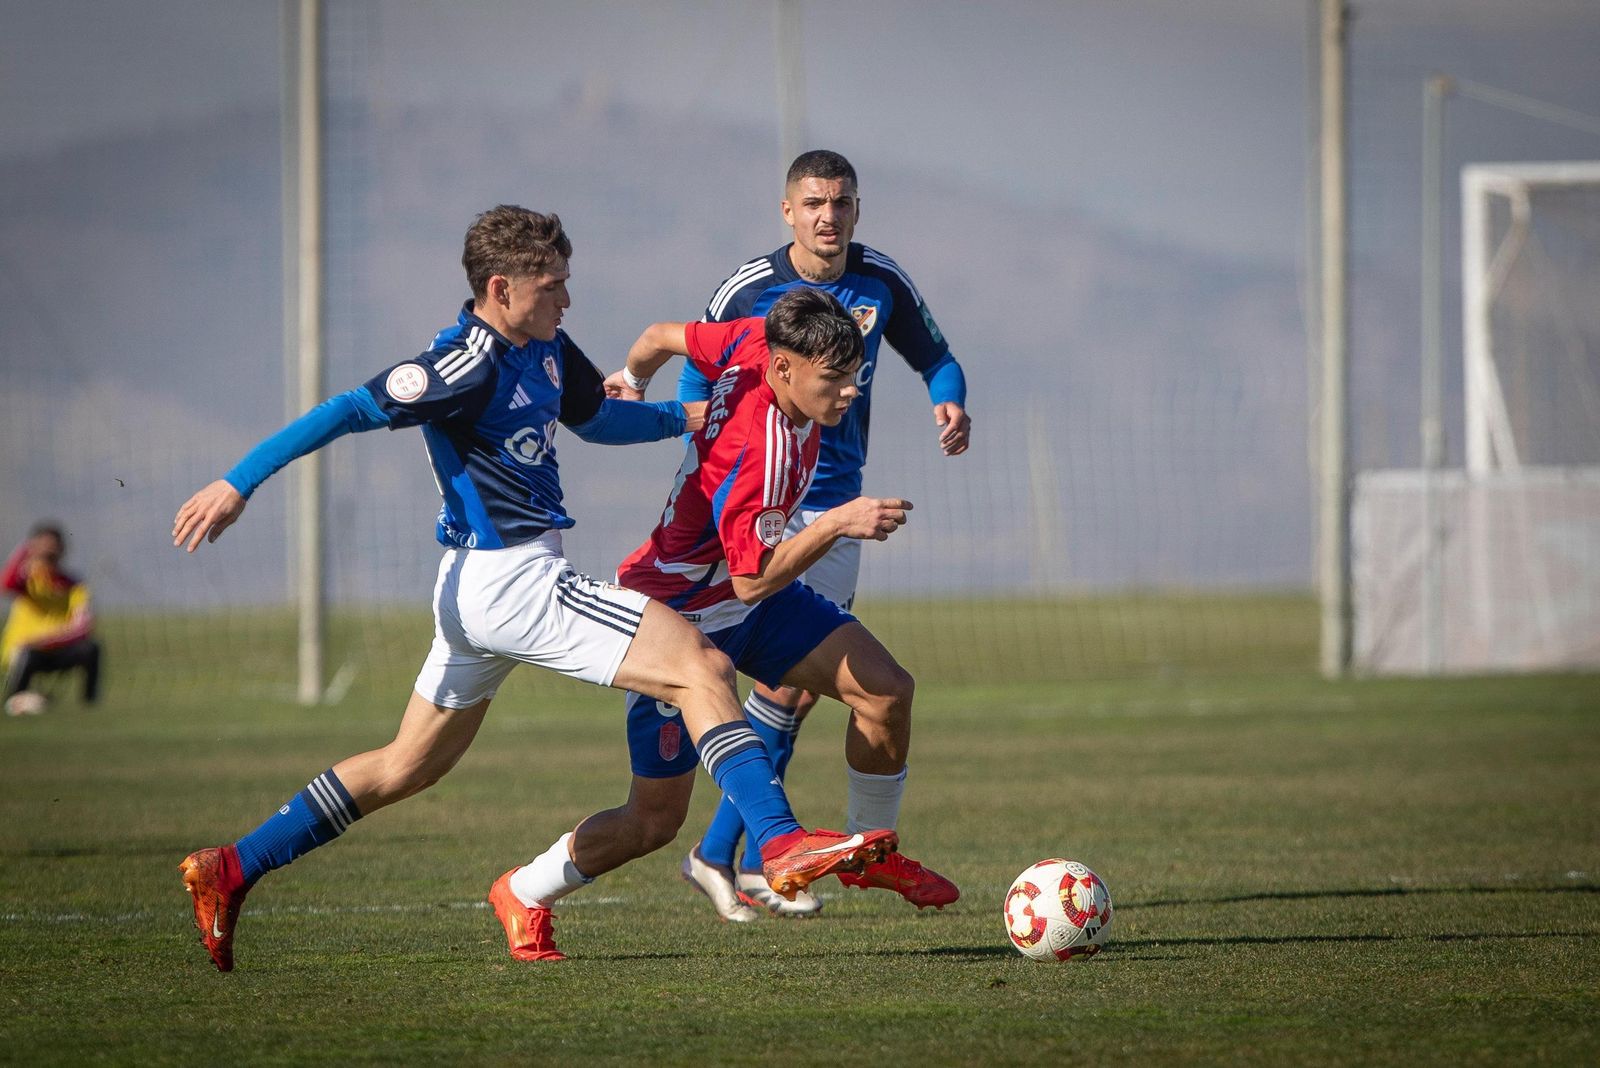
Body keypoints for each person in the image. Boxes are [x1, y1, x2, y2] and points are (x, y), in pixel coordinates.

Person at [171, 205, 893, 971]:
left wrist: (682, 421)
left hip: (482, 593)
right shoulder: (457, 365)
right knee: (702, 667)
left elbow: (594, 419)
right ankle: (779, 843)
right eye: (553, 287)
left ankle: (232, 866)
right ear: (500, 287)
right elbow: (346, 410)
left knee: (406, 765)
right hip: (510, 580)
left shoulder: (545, 345)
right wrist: (237, 482)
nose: (567, 301)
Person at [490, 287, 954, 947]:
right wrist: (838, 522)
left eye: (855, 375)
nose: (849, 392)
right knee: (652, 821)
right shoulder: (759, 450)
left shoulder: (750, 338)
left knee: (885, 689)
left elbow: (656, 332)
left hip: (745, 603)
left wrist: (632, 378)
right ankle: (523, 889)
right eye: (835, 379)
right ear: (786, 368)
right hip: (676, 609)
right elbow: (754, 574)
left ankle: (868, 858)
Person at [674, 150, 971, 916]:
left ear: (856, 210)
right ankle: (736, 853)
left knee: (792, 695)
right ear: (787, 210)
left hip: (836, 505)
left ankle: (721, 854)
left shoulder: (882, 281)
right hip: (774, 504)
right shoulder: (751, 286)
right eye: (813, 203)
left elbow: (936, 357)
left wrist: (951, 401)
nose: (827, 216)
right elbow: (692, 369)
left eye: (840, 202)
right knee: (784, 685)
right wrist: (702, 439)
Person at [2, 523, 101, 717]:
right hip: (25, 652)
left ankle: (89, 707)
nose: (48, 554)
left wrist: (45, 640)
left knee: (91, 648)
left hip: (56, 650)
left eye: (53, 549)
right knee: (26, 653)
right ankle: (13, 700)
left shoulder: (73, 585)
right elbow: (6, 584)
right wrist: (26, 549)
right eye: (43, 548)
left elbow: (83, 627)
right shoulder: (26, 581)